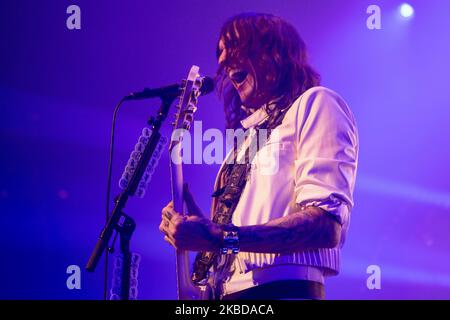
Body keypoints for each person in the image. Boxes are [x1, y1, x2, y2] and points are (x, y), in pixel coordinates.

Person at [159, 12, 358, 300]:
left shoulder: (317, 104)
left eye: (235, 47)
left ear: (273, 53)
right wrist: (198, 229)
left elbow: (325, 226)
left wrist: (218, 236)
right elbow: (230, 242)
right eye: (221, 54)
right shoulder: (247, 140)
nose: (224, 62)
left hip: (284, 290)